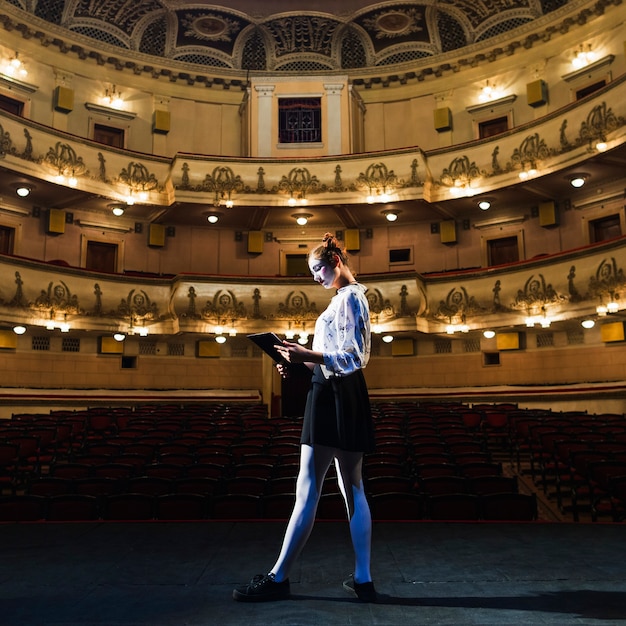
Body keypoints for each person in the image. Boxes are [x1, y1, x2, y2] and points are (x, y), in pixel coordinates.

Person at [233, 232, 377, 603]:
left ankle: (279, 577)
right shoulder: (343, 299)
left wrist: (308, 357)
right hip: (335, 391)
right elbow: (332, 355)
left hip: (335, 394)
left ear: (336, 262)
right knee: (351, 486)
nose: (315, 277)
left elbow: (355, 358)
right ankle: (363, 580)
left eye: (318, 269)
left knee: (313, 487)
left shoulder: (352, 297)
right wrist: (296, 364)